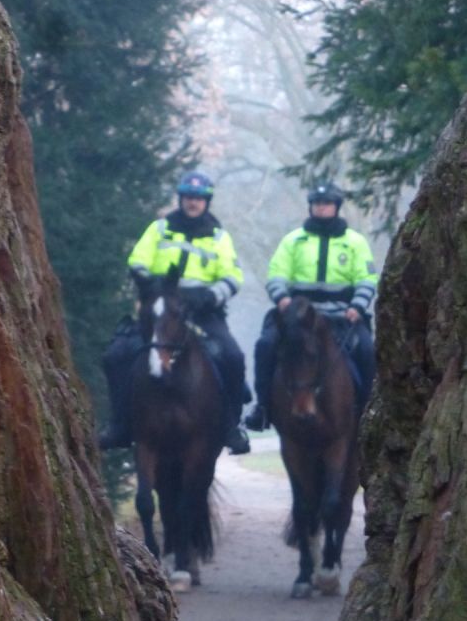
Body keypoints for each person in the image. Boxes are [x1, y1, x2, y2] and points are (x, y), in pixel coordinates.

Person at [99, 171, 251, 455]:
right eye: (189, 197)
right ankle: (119, 424)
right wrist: (156, 289)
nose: (193, 203)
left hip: (203, 313)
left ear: (206, 202)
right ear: (181, 199)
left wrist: (209, 296)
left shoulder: (219, 237)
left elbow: (232, 277)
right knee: (116, 355)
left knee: (233, 356)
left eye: (199, 198)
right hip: (160, 313)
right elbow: (138, 262)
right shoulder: (159, 229)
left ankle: (231, 427)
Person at [244, 182, 377, 431]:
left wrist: (357, 306)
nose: (321, 208)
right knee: (265, 345)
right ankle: (262, 407)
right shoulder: (293, 241)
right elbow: (276, 274)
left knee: (367, 351)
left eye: (327, 204)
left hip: (341, 316)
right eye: (317, 203)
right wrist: (282, 298)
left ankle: (368, 412)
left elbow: (367, 279)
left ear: (336, 207)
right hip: (299, 317)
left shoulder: (355, 242)